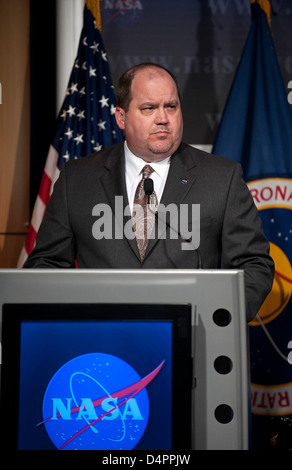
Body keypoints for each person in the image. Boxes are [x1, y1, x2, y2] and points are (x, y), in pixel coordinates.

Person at [24, 63, 274, 322]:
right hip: (104, 340)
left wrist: (219, 320)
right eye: (149, 108)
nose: (163, 118)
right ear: (121, 117)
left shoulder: (222, 178)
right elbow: (46, 265)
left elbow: (254, 265)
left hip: (195, 339)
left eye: (171, 107)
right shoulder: (77, 179)